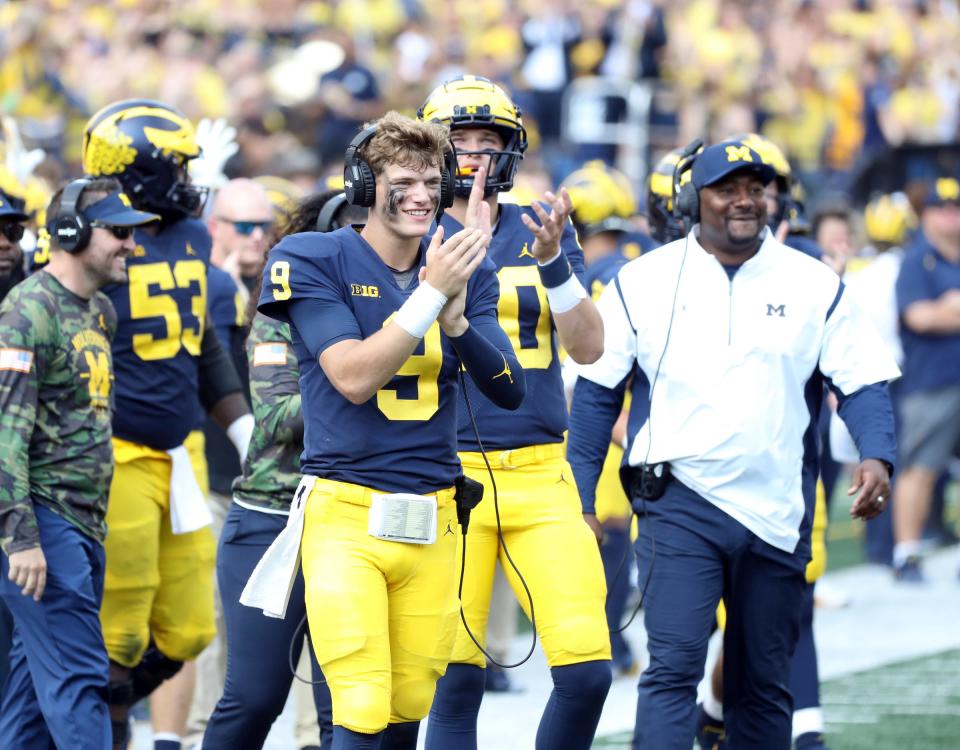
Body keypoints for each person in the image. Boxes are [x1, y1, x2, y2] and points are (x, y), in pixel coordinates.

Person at [568, 140, 900, 749]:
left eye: (756, 187)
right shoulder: (642, 280)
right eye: (728, 188)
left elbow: (862, 380)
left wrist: (877, 454)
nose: (745, 200)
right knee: (673, 669)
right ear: (696, 199)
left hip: (777, 507)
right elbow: (596, 394)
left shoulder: (812, 282)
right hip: (678, 502)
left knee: (763, 680)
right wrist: (580, 498)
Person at [252, 110, 525, 749]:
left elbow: (509, 393)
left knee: (407, 708)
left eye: (434, 180)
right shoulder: (314, 256)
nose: (423, 195)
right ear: (363, 182)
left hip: (435, 514)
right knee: (361, 702)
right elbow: (350, 376)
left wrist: (457, 323)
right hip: (346, 510)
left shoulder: (463, 268)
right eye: (403, 180)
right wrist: (430, 298)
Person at [418, 75, 612, 750]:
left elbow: (588, 349)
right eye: (458, 140)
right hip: (448, 474)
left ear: (512, 149)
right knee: (455, 682)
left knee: (587, 671)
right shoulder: (406, 231)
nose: (473, 154)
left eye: (487, 140)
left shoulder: (540, 223)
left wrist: (555, 261)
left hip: (539, 471)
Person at [81, 99, 253, 750]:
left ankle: (107, 712)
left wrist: (240, 428)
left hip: (183, 452)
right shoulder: (91, 231)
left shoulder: (192, 234)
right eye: (175, 165)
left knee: (189, 629)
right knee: (118, 630)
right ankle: (106, 732)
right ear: (137, 170)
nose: (188, 178)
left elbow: (204, 342)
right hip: (116, 450)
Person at [0, 177, 159, 750]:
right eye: (118, 232)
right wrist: (21, 539)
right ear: (70, 232)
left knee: (28, 701)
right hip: (43, 524)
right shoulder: (26, 311)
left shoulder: (99, 312)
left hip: (83, 524)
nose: (131, 246)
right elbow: (3, 438)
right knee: (81, 679)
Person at [203, 191, 355, 750]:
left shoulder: (399, 312)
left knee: (349, 708)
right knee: (255, 697)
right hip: (273, 518)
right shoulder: (279, 312)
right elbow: (275, 415)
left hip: (357, 519)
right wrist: (362, 379)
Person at [892, 176, 960, 582]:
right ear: (927, 214)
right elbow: (918, 316)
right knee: (919, 468)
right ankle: (907, 554)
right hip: (930, 381)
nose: (950, 215)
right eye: (942, 207)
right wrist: (946, 310)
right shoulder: (917, 260)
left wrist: (949, 309)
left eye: (955, 207)